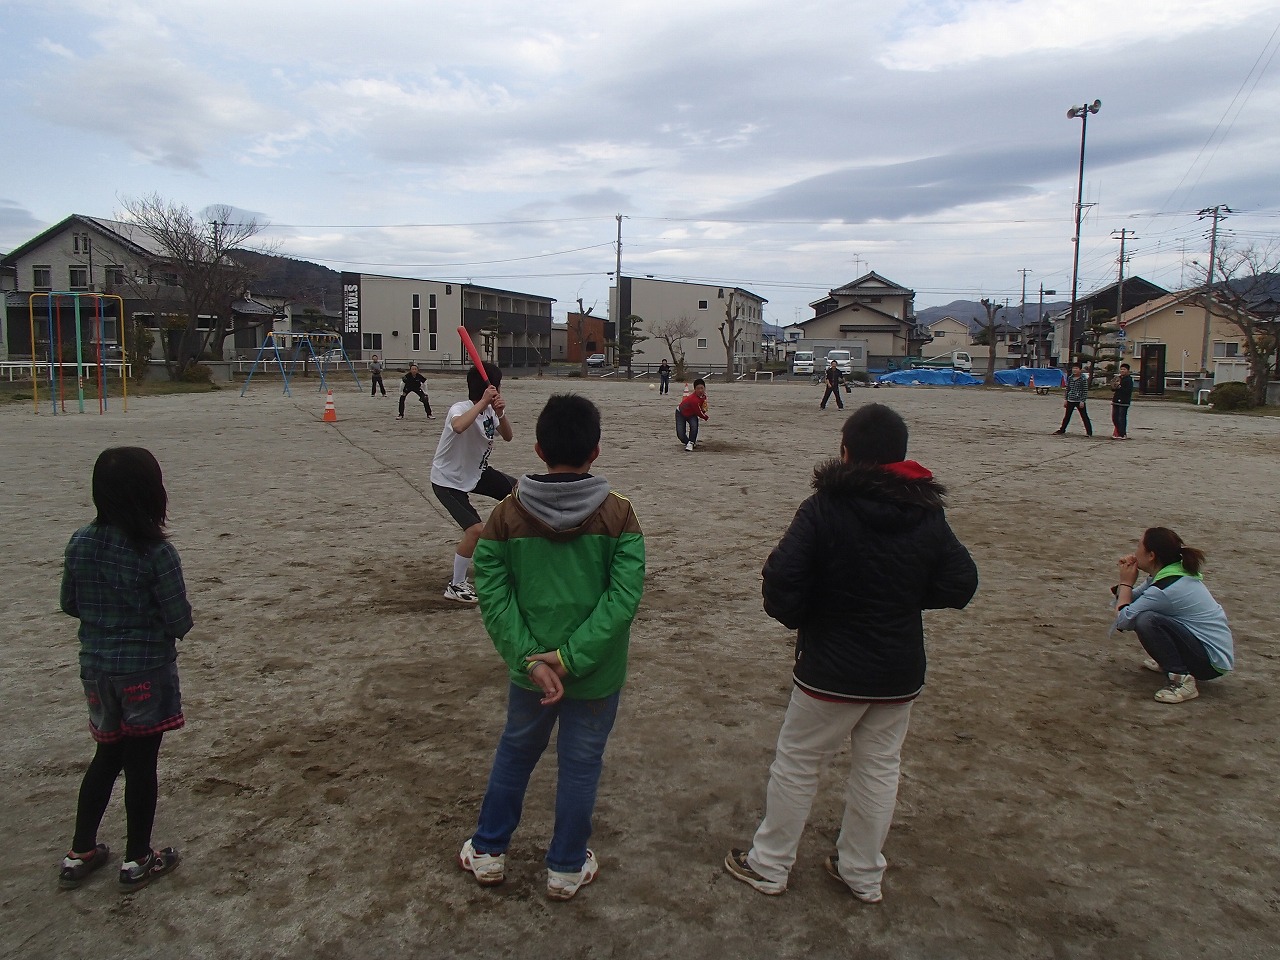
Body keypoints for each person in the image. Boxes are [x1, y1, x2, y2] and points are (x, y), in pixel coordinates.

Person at [724, 404, 978, 903]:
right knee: (879, 766)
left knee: (798, 762)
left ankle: (769, 864)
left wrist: (805, 615)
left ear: (846, 453)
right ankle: (862, 872)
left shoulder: (824, 507)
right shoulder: (926, 512)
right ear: (901, 456)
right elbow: (959, 581)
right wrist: (901, 599)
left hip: (830, 666)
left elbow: (782, 576)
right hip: (897, 668)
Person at [458, 394, 645, 901]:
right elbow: (622, 599)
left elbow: (493, 597)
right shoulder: (620, 515)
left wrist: (534, 659)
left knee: (515, 754)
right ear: (597, 451)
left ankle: (489, 850)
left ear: (539, 449)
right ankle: (565, 867)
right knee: (581, 766)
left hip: (531, 674)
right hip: (596, 674)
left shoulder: (503, 516)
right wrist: (571, 658)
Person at [58, 447, 192, 892]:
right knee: (141, 763)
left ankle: (80, 852)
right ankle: (138, 858)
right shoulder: (156, 553)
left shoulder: (79, 541)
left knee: (106, 756)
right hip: (144, 671)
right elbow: (179, 621)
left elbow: (69, 603)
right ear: (153, 495)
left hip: (95, 669)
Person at [1112, 527, 1233, 704]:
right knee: (1146, 616)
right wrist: (1126, 584)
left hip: (1211, 662)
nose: (1135, 551)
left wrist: (1125, 582)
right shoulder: (1168, 574)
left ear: (1151, 555)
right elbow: (1131, 600)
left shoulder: (1166, 587)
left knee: (1146, 620)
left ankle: (1182, 681)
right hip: (1207, 651)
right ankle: (1170, 664)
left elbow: (1124, 619)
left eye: (1138, 546)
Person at [430, 361, 515, 603]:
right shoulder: (461, 408)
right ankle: (456, 585)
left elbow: (508, 436)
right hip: (448, 481)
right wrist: (482, 403)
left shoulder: (489, 411)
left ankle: (508, 552)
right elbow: (458, 427)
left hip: (476, 473)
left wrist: (500, 412)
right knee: (475, 530)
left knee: (522, 493)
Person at [1054, 363, 1093, 436]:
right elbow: (1068, 389)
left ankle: (1089, 432)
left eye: (1076, 368)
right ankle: (1062, 430)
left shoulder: (1083, 379)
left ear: (1080, 370)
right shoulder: (1070, 378)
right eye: (1073, 368)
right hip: (1070, 399)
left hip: (1079, 400)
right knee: (1067, 416)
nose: (1074, 370)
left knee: (1084, 416)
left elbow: (1084, 390)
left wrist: (1082, 401)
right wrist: (1066, 399)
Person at [675, 379, 709, 452]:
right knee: (680, 434)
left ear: (704, 388)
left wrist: (704, 409)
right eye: (698, 388)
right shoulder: (693, 399)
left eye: (702, 388)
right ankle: (688, 442)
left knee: (694, 426)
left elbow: (701, 407)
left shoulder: (704, 396)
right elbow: (698, 411)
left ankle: (691, 442)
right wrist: (705, 416)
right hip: (680, 413)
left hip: (692, 414)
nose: (700, 390)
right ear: (694, 389)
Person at [1110, 362, 1133, 439]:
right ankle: (1118, 432)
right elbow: (1113, 389)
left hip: (1124, 401)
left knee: (1121, 417)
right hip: (1116, 400)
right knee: (1114, 417)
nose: (1122, 371)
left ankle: (1122, 434)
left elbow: (1127, 391)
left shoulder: (1129, 380)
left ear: (1128, 370)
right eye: (1121, 369)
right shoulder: (1118, 378)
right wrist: (1114, 386)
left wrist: (1119, 386)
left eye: (1124, 369)